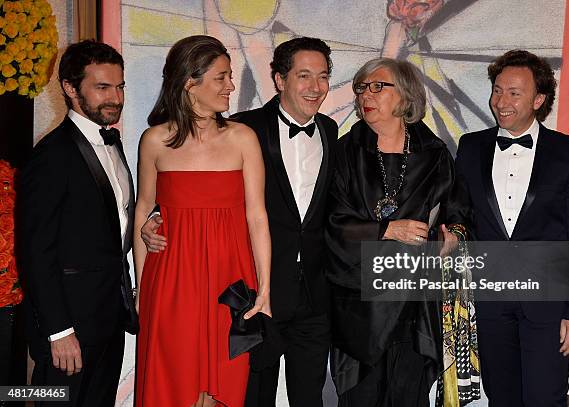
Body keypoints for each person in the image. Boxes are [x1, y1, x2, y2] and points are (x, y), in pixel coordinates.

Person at [141, 37, 338, 407]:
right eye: (304, 75)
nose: (316, 86)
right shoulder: (246, 127)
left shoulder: (331, 130)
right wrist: (155, 219)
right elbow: (164, 195)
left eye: (323, 76)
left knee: (309, 395)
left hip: (312, 291)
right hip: (245, 288)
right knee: (247, 394)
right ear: (280, 80)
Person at [325, 57, 476, 406]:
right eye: (362, 87)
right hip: (360, 307)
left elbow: (459, 214)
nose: (367, 94)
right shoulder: (344, 151)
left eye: (378, 86)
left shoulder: (435, 154)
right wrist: (386, 229)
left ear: (405, 95)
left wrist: (452, 236)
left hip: (415, 303)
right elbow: (332, 222)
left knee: (408, 396)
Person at [133, 35, 271, 407]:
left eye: (230, 76)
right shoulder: (155, 141)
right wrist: (142, 290)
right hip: (172, 281)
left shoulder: (243, 138)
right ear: (188, 83)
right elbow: (143, 209)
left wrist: (265, 289)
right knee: (173, 383)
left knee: (223, 386)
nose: (231, 86)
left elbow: (257, 216)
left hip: (229, 279)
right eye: (221, 78)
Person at [455, 49, 569, 406]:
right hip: (491, 303)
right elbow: (460, 215)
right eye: (497, 90)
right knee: (501, 397)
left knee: (544, 398)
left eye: (514, 93)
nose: (501, 101)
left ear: (538, 99)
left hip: (548, 305)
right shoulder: (470, 147)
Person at [17, 40, 137, 406]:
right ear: (70, 88)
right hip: (69, 328)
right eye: (102, 88)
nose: (114, 98)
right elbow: (35, 251)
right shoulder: (51, 156)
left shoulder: (112, 143)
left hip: (109, 318)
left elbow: (105, 221)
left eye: (119, 87)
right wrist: (59, 331)